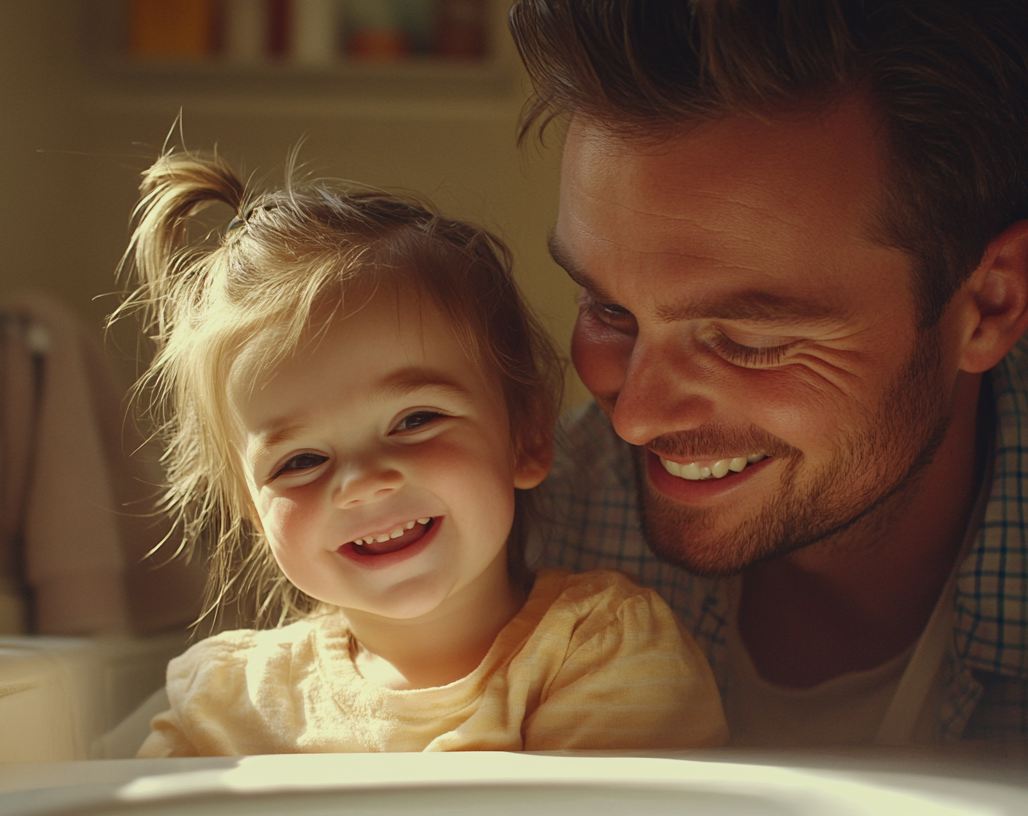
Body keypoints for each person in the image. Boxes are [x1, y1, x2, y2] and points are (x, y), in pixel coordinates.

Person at [511, 0, 1028, 745]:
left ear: (992, 303)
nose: (635, 415)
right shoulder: (537, 525)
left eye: (748, 339)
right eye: (606, 309)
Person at [120, 150, 726, 756]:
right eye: (300, 461)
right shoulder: (229, 701)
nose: (362, 482)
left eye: (415, 419)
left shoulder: (605, 653)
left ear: (528, 436)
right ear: (251, 509)